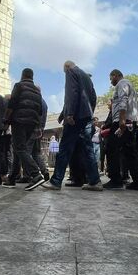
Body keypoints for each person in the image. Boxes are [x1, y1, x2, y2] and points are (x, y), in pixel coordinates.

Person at [41, 61, 102, 191]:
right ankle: (95, 181)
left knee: (64, 148)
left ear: (66, 67)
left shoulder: (71, 71)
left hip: (75, 117)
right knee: (88, 150)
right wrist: (86, 113)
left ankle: (56, 180)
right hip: (85, 116)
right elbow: (93, 97)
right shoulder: (86, 76)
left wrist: (69, 114)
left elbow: (71, 93)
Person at [1, 68, 46, 191]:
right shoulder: (37, 91)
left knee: (20, 148)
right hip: (32, 123)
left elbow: (12, 104)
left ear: (22, 75)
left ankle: (36, 174)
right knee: (18, 149)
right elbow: (40, 110)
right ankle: (12, 178)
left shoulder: (19, 85)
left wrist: (6, 121)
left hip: (19, 121)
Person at [103, 69, 138, 190]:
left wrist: (121, 120)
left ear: (116, 75)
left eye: (111, 78)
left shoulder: (121, 84)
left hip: (122, 122)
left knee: (111, 149)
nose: (111, 81)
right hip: (129, 122)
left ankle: (116, 180)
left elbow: (123, 101)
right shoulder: (128, 84)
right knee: (130, 152)